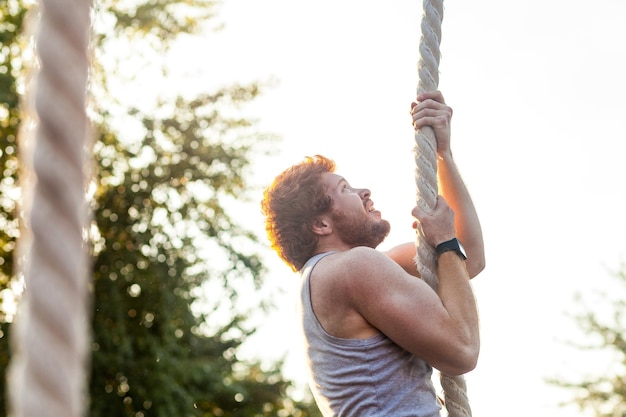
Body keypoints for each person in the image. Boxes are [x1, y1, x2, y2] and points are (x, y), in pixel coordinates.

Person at [261, 91, 485, 417]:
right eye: (345, 189)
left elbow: (470, 259)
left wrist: (443, 155)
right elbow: (462, 351)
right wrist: (445, 241)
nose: (364, 191)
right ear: (322, 224)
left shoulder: (341, 275)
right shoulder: (353, 268)